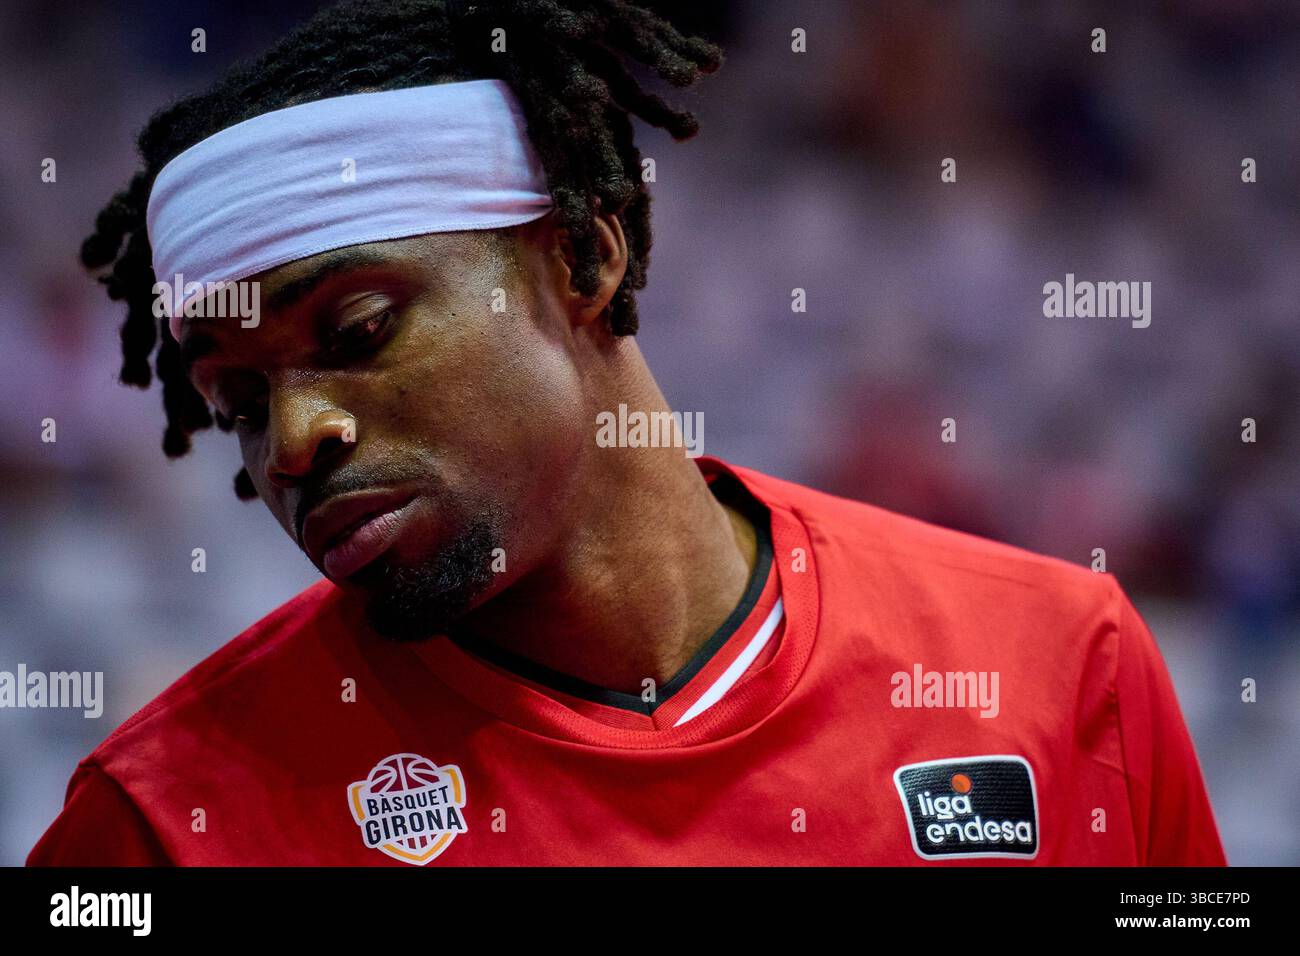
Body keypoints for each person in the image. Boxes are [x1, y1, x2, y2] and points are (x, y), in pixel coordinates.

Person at [29, 0, 1225, 866]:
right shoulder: (158, 823)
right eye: (238, 400)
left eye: (356, 330)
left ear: (588, 255)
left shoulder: (1062, 663)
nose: (292, 437)